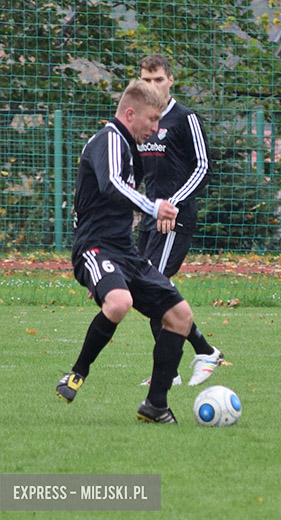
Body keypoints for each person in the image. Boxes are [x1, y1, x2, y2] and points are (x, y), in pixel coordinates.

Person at [56, 79, 191, 424]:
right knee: (119, 303)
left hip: (124, 252)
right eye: (152, 120)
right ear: (130, 114)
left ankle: (155, 405)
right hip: (96, 247)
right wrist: (153, 207)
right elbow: (112, 184)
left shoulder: (129, 148)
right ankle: (76, 373)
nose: (156, 128)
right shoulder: (109, 139)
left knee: (180, 317)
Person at [135, 54, 222, 386]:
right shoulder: (145, 119)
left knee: (151, 285)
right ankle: (177, 365)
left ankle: (200, 353)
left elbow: (203, 168)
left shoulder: (185, 119)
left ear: (171, 80)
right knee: (148, 290)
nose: (153, 85)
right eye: (147, 80)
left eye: (159, 79)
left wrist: (171, 203)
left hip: (175, 217)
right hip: (150, 217)